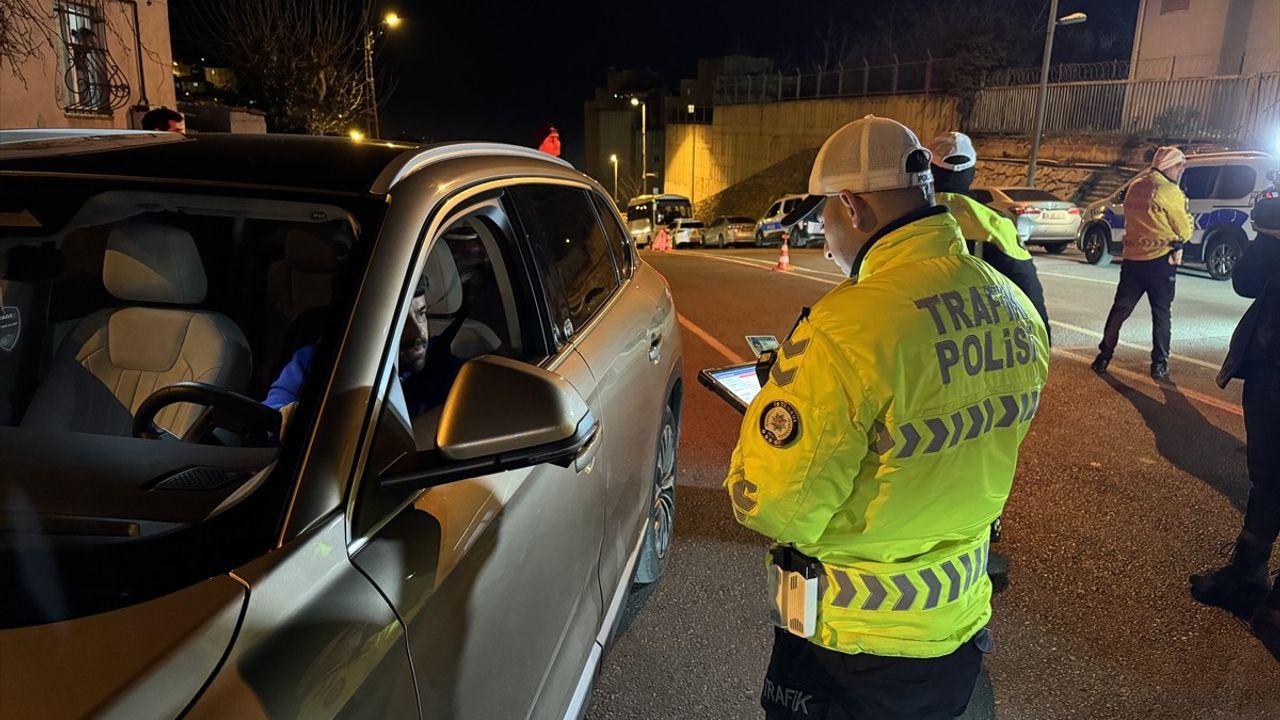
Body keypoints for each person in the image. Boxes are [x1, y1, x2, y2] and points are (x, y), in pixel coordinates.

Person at [724, 115, 1049, 720]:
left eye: (824, 216)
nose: (823, 238)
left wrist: (773, 412)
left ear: (852, 206)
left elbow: (772, 504)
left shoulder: (848, 326)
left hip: (850, 647)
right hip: (955, 629)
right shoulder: (1012, 304)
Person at [1191, 185, 1280, 661]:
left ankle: (1261, 593)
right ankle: (1247, 577)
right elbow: (1248, 281)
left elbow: (1247, 280)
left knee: (1270, 479)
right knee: (1267, 481)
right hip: (1271, 365)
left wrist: (1269, 226)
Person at [266, 274, 456, 416]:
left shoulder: (444, 368)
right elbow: (274, 412)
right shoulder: (319, 360)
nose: (418, 333)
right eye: (400, 320)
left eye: (421, 313)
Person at [928, 132, 1050, 337]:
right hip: (981, 345)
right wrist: (1043, 338)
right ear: (972, 173)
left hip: (920, 343)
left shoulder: (906, 217)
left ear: (929, 170)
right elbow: (1028, 290)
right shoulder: (996, 224)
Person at [1092, 146, 1193, 381]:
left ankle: (1103, 357)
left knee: (1120, 310)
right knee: (1161, 314)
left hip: (1132, 260)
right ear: (1168, 165)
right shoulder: (1170, 191)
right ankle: (1159, 363)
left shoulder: (1136, 186)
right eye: (1179, 165)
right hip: (1160, 261)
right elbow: (1185, 230)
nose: (1181, 170)